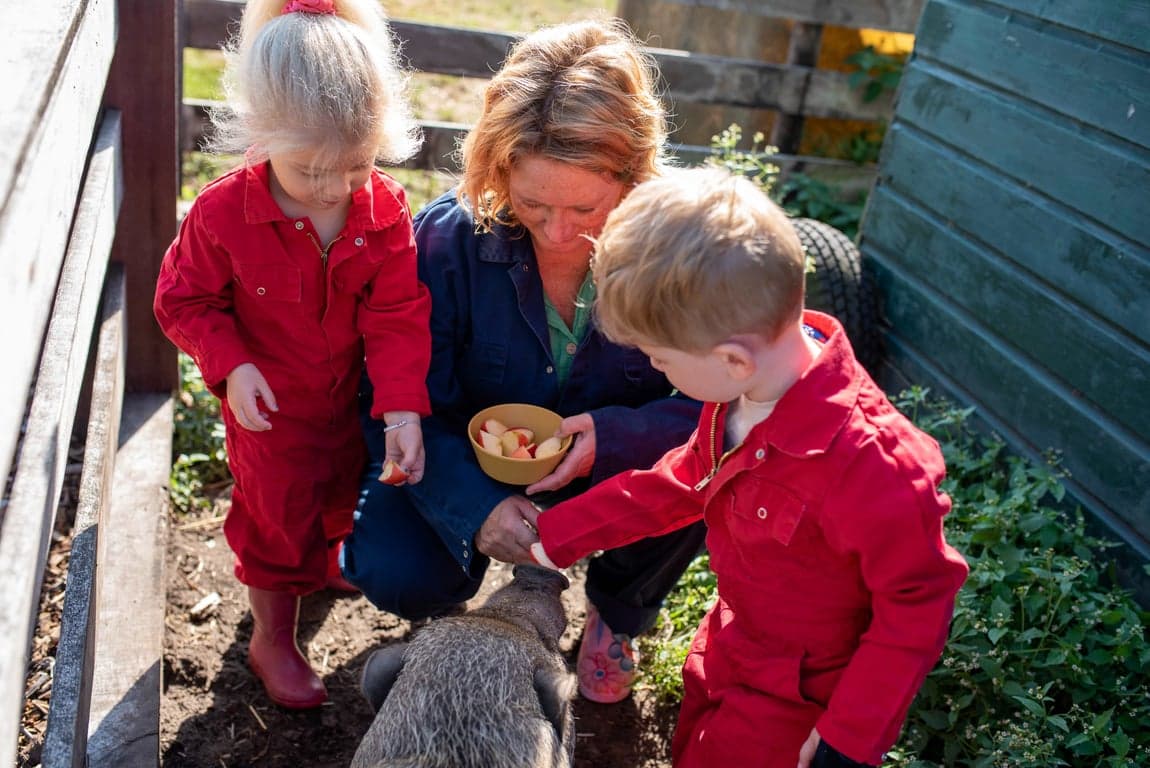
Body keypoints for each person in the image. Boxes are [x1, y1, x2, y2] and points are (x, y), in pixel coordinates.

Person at [510, 166, 970, 768]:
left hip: (800, 694)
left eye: (661, 359)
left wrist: (851, 736)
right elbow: (683, 481)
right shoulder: (739, 395)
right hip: (731, 641)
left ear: (732, 359)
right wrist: (558, 534)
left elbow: (918, 603)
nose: (657, 370)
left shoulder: (876, 467)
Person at [339, 17, 707, 704]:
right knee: (395, 570)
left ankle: (617, 608)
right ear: (499, 168)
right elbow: (397, 399)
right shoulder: (447, 242)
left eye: (586, 207)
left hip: (610, 470)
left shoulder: (678, 250)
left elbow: (716, 410)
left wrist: (616, 438)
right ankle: (455, 594)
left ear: (633, 175)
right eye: (533, 203)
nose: (560, 232)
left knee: (706, 481)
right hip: (473, 464)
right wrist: (475, 506)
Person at [153, 0, 431, 710]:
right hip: (269, 414)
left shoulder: (385, 210)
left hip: (348, 403)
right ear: (262, 133)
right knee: (277, 517)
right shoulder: (223, 215)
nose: (335, 187)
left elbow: (397, 314)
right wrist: (232, 364)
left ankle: (326, 562)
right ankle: (272, 635)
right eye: (310, 170)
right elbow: (183, 301)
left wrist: (401, 406)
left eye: (358, 165)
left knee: (340, 493)